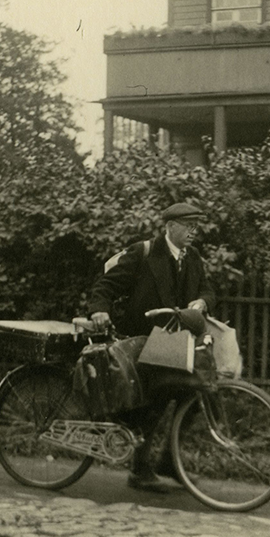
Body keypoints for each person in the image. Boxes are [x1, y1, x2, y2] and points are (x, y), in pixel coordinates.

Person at [88, 202, 215, 492]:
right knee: (155, 401)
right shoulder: (144, 253)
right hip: (143, 341)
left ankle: (168, 461)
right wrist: (99, 309)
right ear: (170, 227)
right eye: (188, 226)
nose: (194, 232)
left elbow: (208, 289)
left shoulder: (192, 257)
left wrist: (203, 302)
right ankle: (140, 469)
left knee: (194, 394)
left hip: (177, 341)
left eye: (196, 226)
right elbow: (105, 286)